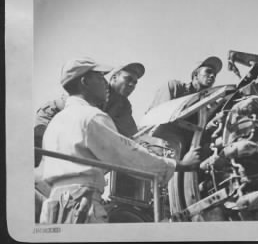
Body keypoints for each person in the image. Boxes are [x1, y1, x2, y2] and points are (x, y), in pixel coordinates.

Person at [39, 57, 201, 224]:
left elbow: (134, 138)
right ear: (85, 81)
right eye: (100, 77)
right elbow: (129, 154)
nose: (104, 81)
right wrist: (179, 164)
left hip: (54, 208)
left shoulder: (55, 123)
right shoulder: (91, 116)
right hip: (82, 205)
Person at [34, 62, 145, 167]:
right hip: (50, 117)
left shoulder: (123, 105)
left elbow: (131, 134)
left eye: (135, 82)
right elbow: (69, 106)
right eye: (128, 79)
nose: (132, 84)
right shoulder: (97, 87)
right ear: (114, 78)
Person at [147, 56, 223, 111]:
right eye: (208, 71)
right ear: (196, 75)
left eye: (214, 74)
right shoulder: (174, 87)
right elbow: (160, 114)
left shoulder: (207, 102)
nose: (212, 76)